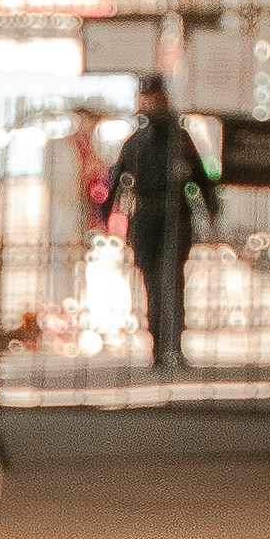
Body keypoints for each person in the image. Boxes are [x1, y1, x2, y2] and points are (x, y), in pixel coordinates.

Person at [105, 75, 219, 375]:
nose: (150, 103)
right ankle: (159, 349)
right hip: (146, 219)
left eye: (153, 97)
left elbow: (200, 179)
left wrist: (210, 213)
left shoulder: (178, 138)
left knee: (170, 282)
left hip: (174, 216)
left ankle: (174, 349)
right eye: (146, 97)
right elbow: (118, 181)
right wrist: (108, 217)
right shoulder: (137, 141)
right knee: (153, 285)